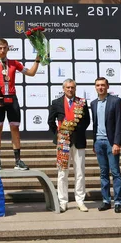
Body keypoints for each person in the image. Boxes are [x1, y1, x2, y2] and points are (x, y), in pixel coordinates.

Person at [0, 38, 39, 170]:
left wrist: (37, 61)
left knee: (15, 129)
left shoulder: (14, 63)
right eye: (0, 48)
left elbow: (31, 73)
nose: (2, 50)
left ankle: (18, 161)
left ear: (8, 49)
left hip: (12, 98)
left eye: (5, 48)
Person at [47, 79, 90, 212]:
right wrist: (59, 135)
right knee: (62, 173)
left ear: (75, 88)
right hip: (63, 142)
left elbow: (87, 121)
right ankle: (63, 201)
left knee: (80, 172)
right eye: (68, 88)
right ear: (63, 89)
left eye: (72, 87)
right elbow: (50, 121)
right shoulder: (56, 103)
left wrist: (76, 131)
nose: (70, 90)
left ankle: (80, 200)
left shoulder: (81, 103)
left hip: (79, 142)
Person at [91, 77, 121, 213]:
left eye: (103, 85)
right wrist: (94, 142)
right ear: (95, 87)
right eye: (98, 85)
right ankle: (106, 201)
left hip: (111, 143)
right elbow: (95, 124)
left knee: (115, 172)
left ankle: (118, 201)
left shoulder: (115, 101)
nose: (100, 87)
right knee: (103, 173)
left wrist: (117, 142)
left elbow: (119, 123)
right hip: (98, 142)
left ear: (107, 86)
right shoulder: (93, 103)